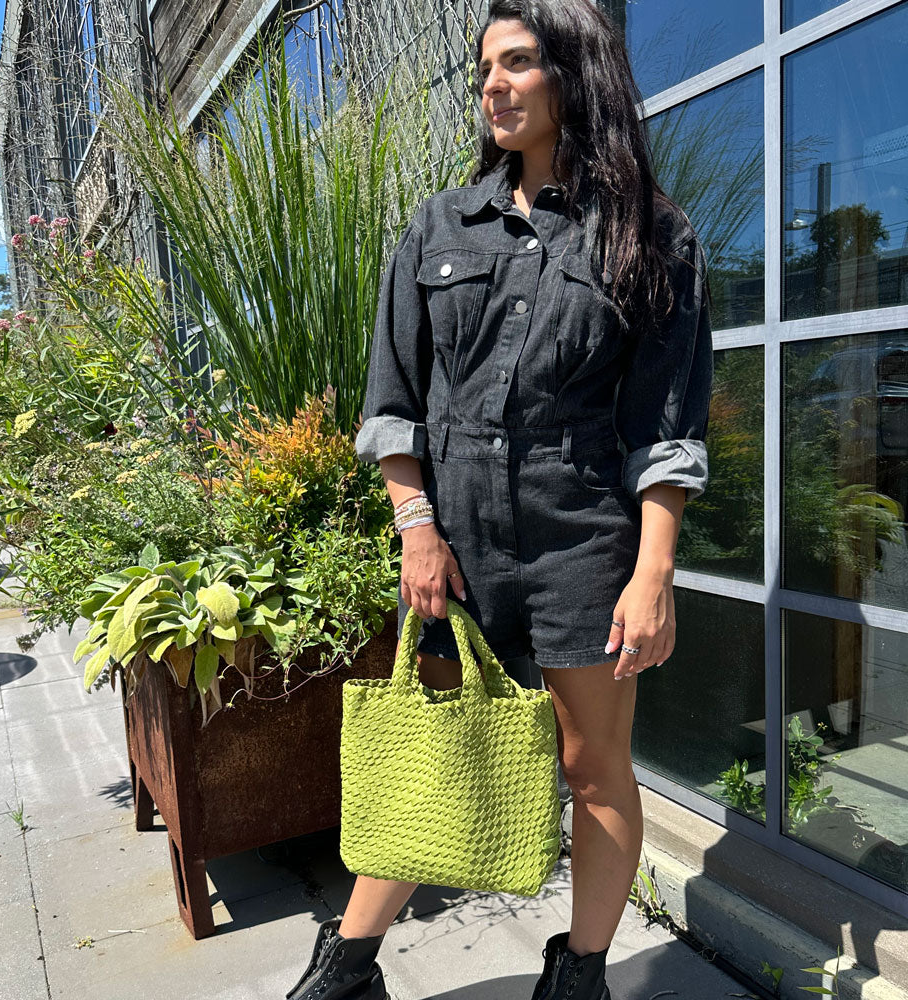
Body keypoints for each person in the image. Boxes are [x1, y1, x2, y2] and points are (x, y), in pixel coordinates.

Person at [284, 2, 713, 998]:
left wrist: (653, 573)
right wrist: (416, 528)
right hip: (456, 542)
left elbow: (664, 430)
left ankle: (580, 977)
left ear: (575, 74)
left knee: (594, 767)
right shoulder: (440, 224)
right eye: (487, 67)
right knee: (434, 753)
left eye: (517, 63)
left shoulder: (652, 234)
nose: (493, 85)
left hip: (582, 540)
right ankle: (346, 969)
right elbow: (392, 400)